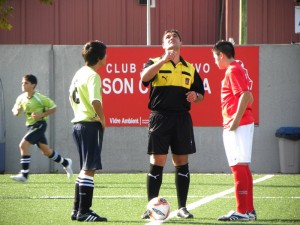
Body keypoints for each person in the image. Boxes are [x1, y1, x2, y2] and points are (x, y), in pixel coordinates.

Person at [140, 29, 205, 219]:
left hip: (182, 119)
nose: (171, 38)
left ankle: (182, 208)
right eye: (167, 37)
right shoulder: (154, 62)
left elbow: (201, 95)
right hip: (160, 118)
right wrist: (163, 61)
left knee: (181, 162)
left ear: (180, 42)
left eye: (175, 36)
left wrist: (196, 96)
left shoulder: (190, 68)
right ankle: (150, 207)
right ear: (163, 45)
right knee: (157, 161)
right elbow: (144, 78)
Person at [212, 40, 256, 222]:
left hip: (238, 125)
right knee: (243, 166)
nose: (215, 62)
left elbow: (246, 96)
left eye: (215, 58)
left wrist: (235, 122)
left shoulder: (233, 70)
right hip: (243, 123)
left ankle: (241, 211)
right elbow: (250, 97)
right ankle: (249, 210)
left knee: (238, 166)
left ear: (221, 55)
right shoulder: (239, 68)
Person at [69, 40, 108, 222]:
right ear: (100, 58)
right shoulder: (93, 76)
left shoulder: (78, 74)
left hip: (77, 123)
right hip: (89, 125)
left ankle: (77, 210)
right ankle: (85, 211)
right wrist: (102, 118)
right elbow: (95, 101)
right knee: (90, 169)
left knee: (84, 168)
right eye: (105, 55)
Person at [11, 74, 73, 183]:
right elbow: (15, 111)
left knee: (23, 145)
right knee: (46, 151)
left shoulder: (40, 98)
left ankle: (24, 175)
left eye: (26, 83)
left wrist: (41, 115)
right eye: (22, 83)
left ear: (33, 85)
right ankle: (66, 163)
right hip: (30, 126)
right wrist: (17, 111)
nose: (23, 85)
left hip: (39, 125)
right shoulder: (21, 98)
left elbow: (54, 108)